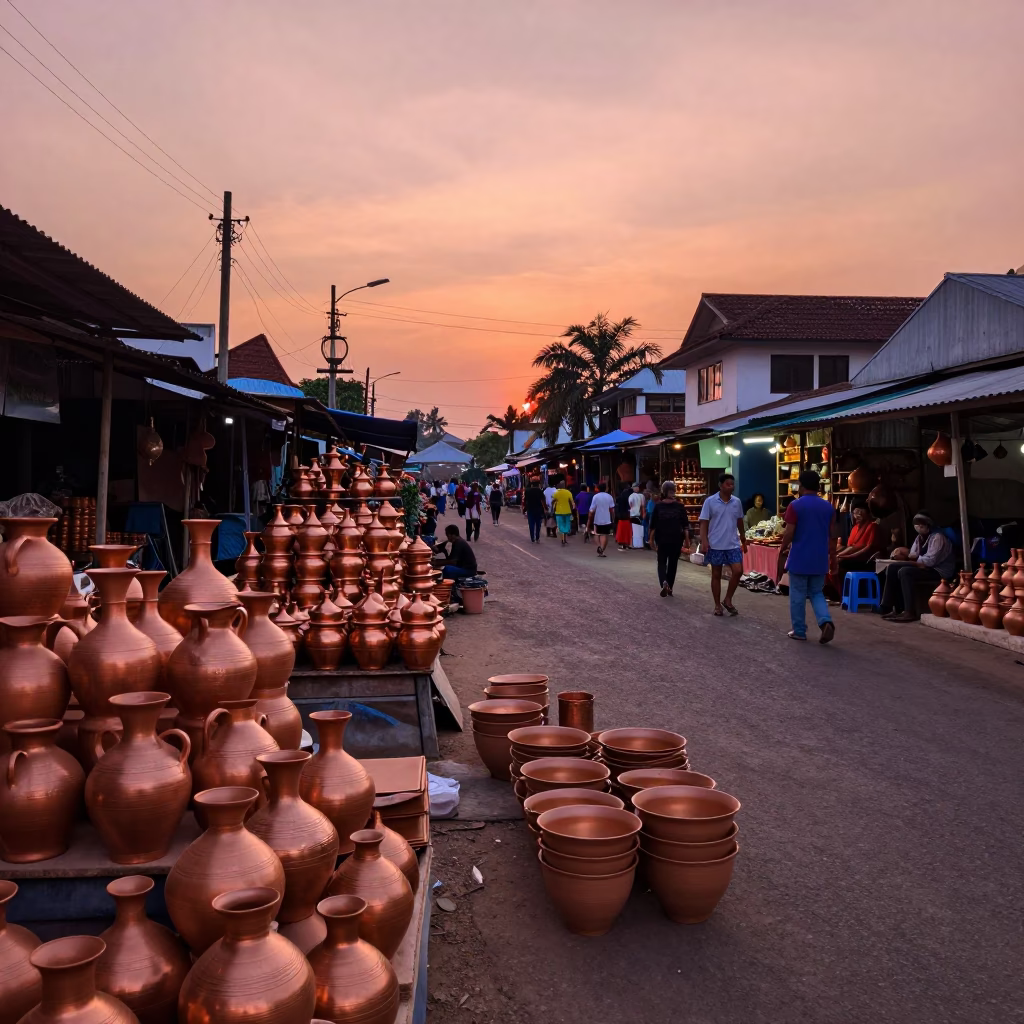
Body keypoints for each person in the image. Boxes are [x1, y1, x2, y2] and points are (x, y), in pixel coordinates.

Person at [775, 471, 838, 643]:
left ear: (801, 486)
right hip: (820, 558)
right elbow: (833, 536)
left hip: (800, 557)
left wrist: (782, 548)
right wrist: (833, 559)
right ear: (818, 486)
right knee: (816, 592)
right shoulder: (828, 507)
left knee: (797, 594)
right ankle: (825, 621)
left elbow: (789, 532)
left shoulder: (795, 506)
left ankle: (799, 630)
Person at [878, 511, 955, 621]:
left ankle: (909, 611)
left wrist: (910, 559)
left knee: (904, 571)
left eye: (921, 524)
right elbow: (913, 554)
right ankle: (890, 607)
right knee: (892, 568)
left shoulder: (938, 537)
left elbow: (930, 561)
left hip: (938, 571)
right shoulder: (920, 538)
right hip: (925, 567)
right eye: (916, 524)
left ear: (928, 525)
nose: (918, 527)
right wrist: (903, 555)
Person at [698, 473, 747, 616]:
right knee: (716, 574)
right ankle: (717, 605)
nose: (731, 487)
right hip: (715, 543)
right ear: (720, 485)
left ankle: (728, 599)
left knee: (738, 571)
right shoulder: (710, 501)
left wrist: (743, 537)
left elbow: (739, 520)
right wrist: (704, 541)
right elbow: (704, 522)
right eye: (728, 484)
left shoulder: (737, 502)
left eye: (733, 484)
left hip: (732, 543)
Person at [649, 481, 691, 597]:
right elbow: (685, 525)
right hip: (676, 539)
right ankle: (670, 587)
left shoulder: (658, 506)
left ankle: (664, 582)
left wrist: (651, 540)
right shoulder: (680, 506)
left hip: (662, 539)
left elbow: (653, 525)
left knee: (661, 562)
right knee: (673, 563)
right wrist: (687, 540)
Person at [834, 501, 884, 592]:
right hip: (854, 558)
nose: (857, 515)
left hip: (866, 561)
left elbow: (867, 548)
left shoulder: (873, 526)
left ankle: (843, 593)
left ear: (867, 513)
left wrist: (844, 556)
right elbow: (849, 547)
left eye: (860, 512)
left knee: (841, 563)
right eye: (855, 513)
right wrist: (837, 554)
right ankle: (834, 592)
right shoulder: (855, 528)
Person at [588, 481, 616, 557]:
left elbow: (592, 509)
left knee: (596, 534)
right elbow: (612, 509)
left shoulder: (595, 497)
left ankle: (599, 546)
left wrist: (590, 517)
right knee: (604, 535)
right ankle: (602, 549)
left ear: (598, 488)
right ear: (606, 488)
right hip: (607, 519)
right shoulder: (609, 497)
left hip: (597, 518)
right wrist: (613, 518)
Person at [551, 481, 576, 546]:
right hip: (567, 511)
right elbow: (572, 503)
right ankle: (564, 539)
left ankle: (562, 539)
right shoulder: (568, 493)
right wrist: (572, 509)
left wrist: (553, 508)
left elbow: (553, 501)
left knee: (560, 525)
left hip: (559, 512)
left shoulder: (556, 493)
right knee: (567, 525)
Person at [523, 477, 546, 543]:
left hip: (530, 509)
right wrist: (545, 508)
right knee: (538, 524)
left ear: (532, 484)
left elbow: (525, 501)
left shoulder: (527, 491)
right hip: (539, 509)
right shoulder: (540, 491)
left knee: (531, 524)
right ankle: (537, 537)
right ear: (538, 484)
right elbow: (543, 500)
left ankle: (532, 538)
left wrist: (524, 508)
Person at [614, 484, 633, 551]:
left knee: (621, 531)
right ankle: (628, 543)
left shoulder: (620, 497)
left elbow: (618, 507)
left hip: (622, 517)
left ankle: (623, 544)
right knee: (628, 530)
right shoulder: (630, 495)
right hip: (628, 516)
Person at [627, 484, 645, 549]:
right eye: (636, 487)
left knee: (633, 531)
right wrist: (643, 514)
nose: (637, 488)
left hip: (633, 515)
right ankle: (638, 544)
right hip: (638, 515)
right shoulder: (641, 496)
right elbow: (643, 506)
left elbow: (630, 505)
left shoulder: (631, 496)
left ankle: (633, 544)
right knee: (638, 531)